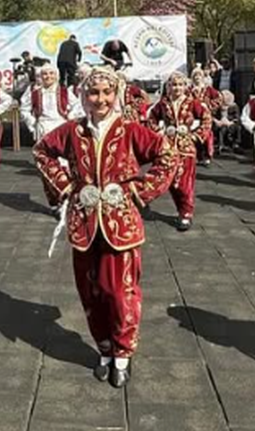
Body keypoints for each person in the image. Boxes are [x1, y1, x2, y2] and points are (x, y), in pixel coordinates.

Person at [33, 66, 178, 388]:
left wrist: (138, 190)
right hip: (83, 223)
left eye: (106, 93)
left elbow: (168, 155)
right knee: (90, 292)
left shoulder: (130, 130)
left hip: (120, 223)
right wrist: (67, 186)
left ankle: (123, 354)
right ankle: (104, 349)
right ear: (83, 96)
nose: (100, 99)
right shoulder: (72, 130)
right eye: (93, 93)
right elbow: (42, 151)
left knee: (119, 292)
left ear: (117, 95)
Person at [146, 71, 211, 231]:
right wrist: (159, 132)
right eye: (174, 85)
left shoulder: (192, 102)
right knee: (171, 183)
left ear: (185, 86)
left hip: (186, 147)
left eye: (180, 85)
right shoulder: (163, 103)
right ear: (168, 86)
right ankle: (181, 209)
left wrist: (196, 136)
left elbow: (206, 118)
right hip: (168, 147)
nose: (177, 88)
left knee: (185, 182)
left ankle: (186, 213)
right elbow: (151, 119)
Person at [21, 65, 80, 142]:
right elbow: (24, 109)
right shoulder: (34, 93)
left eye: (51, 73)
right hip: (43, 127)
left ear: (56, 76)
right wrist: (32, 122)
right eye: (45, 74)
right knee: (44, 153)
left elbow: (78, 105)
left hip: (61, 125)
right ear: (41, 76)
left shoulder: (65, 92)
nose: (48, 76)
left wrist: (71, 116)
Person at [189, 67, 221, 165]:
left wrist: (209, 106)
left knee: (206, 135)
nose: (197, 78)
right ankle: (198, 156)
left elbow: (219, 98)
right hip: (193, 117)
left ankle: (207, 156)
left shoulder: (208, 89)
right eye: (195, 76)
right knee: (194, 136)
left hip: (206, 116)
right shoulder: (189, 90)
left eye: (199, 75)